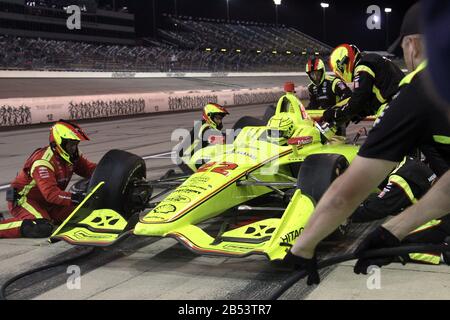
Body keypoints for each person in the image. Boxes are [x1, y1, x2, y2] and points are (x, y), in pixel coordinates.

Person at [283, 2, 450, 284]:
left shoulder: (420, 89)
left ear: (413, 45)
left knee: (426, 244)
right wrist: (392, 231)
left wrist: (304, 246)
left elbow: (346, 193)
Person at [0, 120, 96, 238]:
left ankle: (47, 216)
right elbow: (51, 194)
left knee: (85, 213)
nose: (74, 148)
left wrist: (110, 170)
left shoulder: (72, 156)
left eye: (76, 144)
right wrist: (78, 198)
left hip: (49, 202)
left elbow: (90, 170)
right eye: (71, 144)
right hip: (24, 200)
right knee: (41, 227)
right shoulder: (43, 162)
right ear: (59, 143)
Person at [322, 43, 404, 126]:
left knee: (376, 137)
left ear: (343, 64)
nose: (341, 76)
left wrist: (336, 113)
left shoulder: (363, 66)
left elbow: (359, 98)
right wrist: (360, 113)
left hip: (394, 106)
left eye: (339, 73)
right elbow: (373, 97)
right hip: (401, 102)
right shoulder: (370, 60)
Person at [175, 103, 229, 174]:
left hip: (194, 158)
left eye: (221, 119)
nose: (219, 121)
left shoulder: (209, 127)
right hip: (186, 160)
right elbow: (211, 136)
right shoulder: (204, 126)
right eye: (217, 118)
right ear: (209, 116)